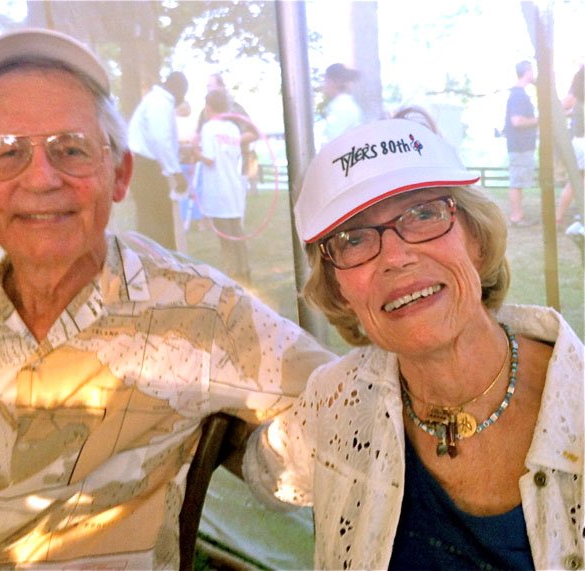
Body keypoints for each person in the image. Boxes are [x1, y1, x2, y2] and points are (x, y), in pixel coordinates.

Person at [0, 29, 334, 570]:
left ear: (120, 174)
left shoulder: (198, 312)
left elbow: (351, 413)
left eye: (71, 150)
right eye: (6, 152)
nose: (41, 179)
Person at [243, 113, 584, 570]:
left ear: (476, 240)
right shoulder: (337, 400)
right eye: (354, 239)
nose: (397, 257)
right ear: (339, 289)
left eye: (424, 214)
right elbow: (267, 471)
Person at [128, 71, 189, 250]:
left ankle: (162, 264)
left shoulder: (158, 101)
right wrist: (177, 174)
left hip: (146, 166)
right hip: (145, 167)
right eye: (183, 93)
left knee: (158, 220)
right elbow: (161, 141)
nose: (182, 98)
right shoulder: (159, 102)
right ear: (177, 89)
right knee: (155, 224)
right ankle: (158, 267)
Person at [195, 89, 251, 284]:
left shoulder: (209, 128)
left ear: (208, 108)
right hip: (233, 189)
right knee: (238, 236)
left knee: (227, 240)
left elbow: (209, 159)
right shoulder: (233, 128)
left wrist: (196, 153)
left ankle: (234, 279)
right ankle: (245, 274)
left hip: (218, 192)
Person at [195, 73, 259, 192]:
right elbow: (198, 134)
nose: (207, 89)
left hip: (234, 165)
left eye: (210, 86)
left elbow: (253, 133)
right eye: (207, 86)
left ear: (221, 87)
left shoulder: (235, 109)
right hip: (212, 168)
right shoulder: (205, 112)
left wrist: (231, 140)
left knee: (234, 200)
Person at [504, 60, 539, 226]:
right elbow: (517, 121)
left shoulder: (518, 94)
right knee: (517, 182)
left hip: (521, 146)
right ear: (527, 71)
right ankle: (516, 217)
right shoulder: (518, 95)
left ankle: (518, 215)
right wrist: (539, 120)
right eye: (532, 70)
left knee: (518, 181)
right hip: (519, 147)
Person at [556, 64, 584, 237]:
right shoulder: (576, 95)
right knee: (576, 182)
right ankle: (558, 218)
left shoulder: (577, 94)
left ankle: (565, 217)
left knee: (578, 182)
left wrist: (572, 117)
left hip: (578, 141)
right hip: (583, 141)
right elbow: (560, 107)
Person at [320, 63, 364, 146]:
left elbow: (332, 141)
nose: (324, 85)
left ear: (334, 82)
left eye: (325, 81)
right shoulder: (347, 105)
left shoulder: (340, 108)